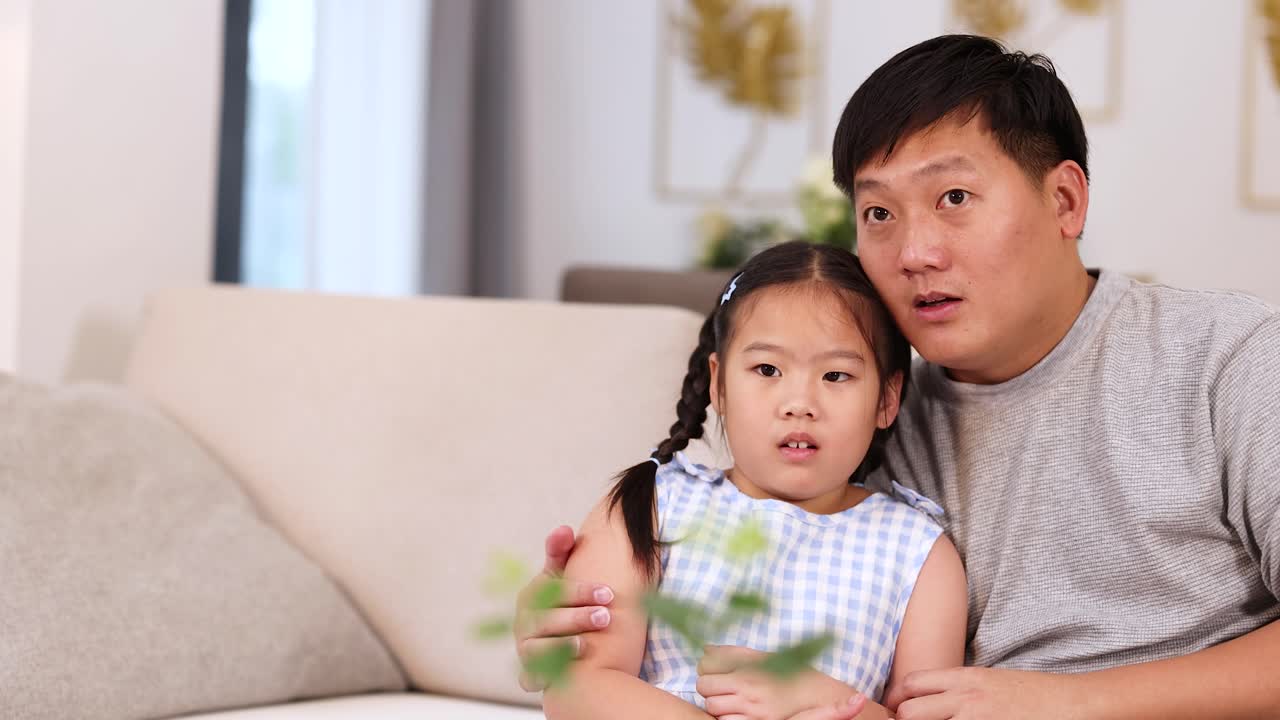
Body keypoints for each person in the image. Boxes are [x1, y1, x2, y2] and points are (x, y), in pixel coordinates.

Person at [519, 34, 1280, 719]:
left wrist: (1076, 702)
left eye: (954, 198)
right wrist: (569, 631)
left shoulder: (1230, 358)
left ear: (1065, 200)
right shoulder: (865, 415)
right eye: (879, 213)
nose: (914, 252)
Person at [539, 241, 967, 720]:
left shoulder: (917, 554)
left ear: (887, 398)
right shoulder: (651, 504)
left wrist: (824, 699)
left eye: (836, 375)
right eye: (767, 369)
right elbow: (578, 684)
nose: (799, 402)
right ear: (719, 384)